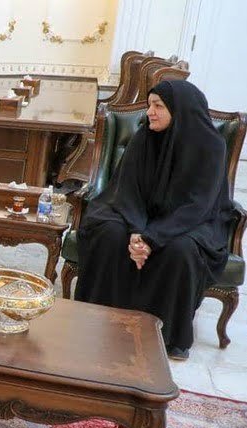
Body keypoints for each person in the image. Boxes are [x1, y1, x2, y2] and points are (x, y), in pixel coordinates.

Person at [74, 80, 232, 361]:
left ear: (179, 109)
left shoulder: (211, 147)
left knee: (180, 250)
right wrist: (137, 231)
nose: (149, 113)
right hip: (139, 212)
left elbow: (198, 205)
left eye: (158, 106)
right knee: (109, 233)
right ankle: (97, 318)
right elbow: (127, 189)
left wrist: (153, 237)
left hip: (192, 221)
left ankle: (167, 336)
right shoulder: (144, 138)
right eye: (149, 105)